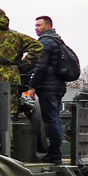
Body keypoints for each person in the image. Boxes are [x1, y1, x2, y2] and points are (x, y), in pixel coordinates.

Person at [27, 15, 68, 165]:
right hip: (58, 86)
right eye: (36, 25)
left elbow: (40, 66)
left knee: (51, 120)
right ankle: (55, 153)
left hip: (48, 87)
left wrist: (32, 86)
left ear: (48, 26)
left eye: (39, 25)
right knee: (55, 119)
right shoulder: (57, 40)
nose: (36, 28)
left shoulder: (45, 42)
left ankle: (55, 154)